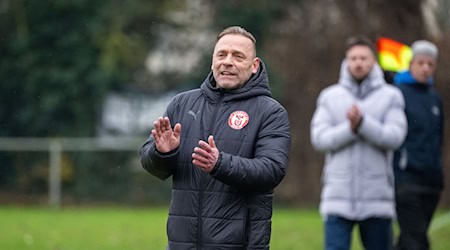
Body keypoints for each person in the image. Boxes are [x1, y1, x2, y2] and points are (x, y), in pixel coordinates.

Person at [140, 26, 291, 249]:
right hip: (182, 243)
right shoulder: (181, 104)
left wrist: (220, 164)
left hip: (240, 244)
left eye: (238, 56)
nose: (227, 61)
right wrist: (163, 153)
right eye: (221, 54)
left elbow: (272, 170)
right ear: (212, 61)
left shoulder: (270, 112)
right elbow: (152, 165)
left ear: (254, 65)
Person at [310, 36, 407, 250]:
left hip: (378, 199)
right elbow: (319, 139)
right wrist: (351, 129)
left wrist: (364, 123)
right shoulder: (329, 96)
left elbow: (395, 136)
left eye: (364, 58)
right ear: (346, 61)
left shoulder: (391, 96)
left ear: (373, 61)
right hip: (337, 198)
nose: (358, 62)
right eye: (353, 58)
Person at [393, 40, 444, 250]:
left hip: (431, 183)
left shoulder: (435, 99)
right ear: (411, 63)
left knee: (409, 240)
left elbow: (439, 139)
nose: (425, 68)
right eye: (421, 63)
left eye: (430, 64)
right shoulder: (397, 94)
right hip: (406, 180)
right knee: (417, 241)